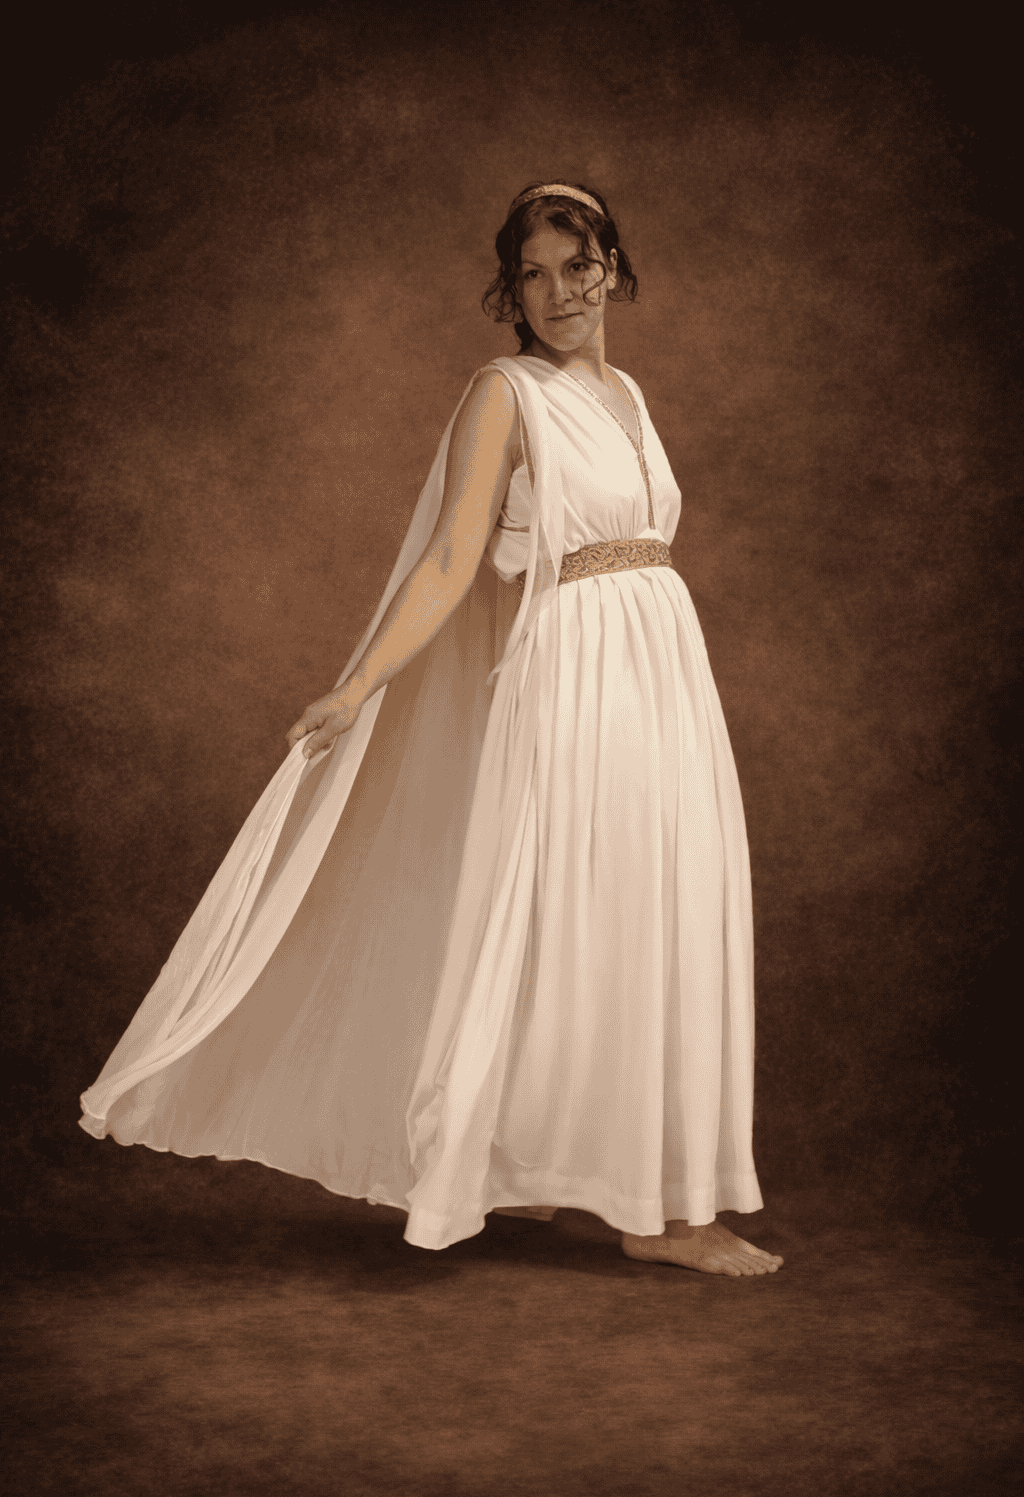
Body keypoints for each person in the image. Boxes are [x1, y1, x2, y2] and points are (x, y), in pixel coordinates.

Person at [80, 181, 783, 1279]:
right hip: (578, 677)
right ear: (512, 290)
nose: (559, 293)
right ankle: (646, 1214)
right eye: (534, 275)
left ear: (612, 268)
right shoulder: (504, 393)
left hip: (664, 676)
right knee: (582, 912)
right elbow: (454, 558)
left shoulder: (629, 394)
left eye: (578, 267)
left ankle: (580, 1171)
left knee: (658, 908)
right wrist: (357, 685)